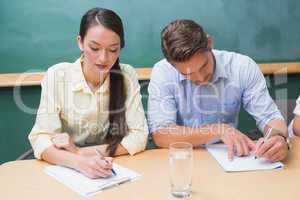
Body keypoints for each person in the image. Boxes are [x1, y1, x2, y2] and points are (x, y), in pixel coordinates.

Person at [28, 7, 148, 179]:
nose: (103, 58)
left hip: (114, 169)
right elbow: (41, 139)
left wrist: (79, 152)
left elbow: (139, 136)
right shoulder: (58, 75)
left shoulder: (126, 75)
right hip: (67, 170)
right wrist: (79, 162)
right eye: (94, 48)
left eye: (113, 49)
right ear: (80, 42)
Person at [148, 19, 289, 162]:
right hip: (183, 159)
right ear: (172, 66)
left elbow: (270, 117)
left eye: (204, 66)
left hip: (230, 158)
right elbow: (160, 135)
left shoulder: (242, 67)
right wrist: (218, 130)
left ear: (209, 43)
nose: (201, 78)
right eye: (188, 74)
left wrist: (278, 138)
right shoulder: (163, 72)